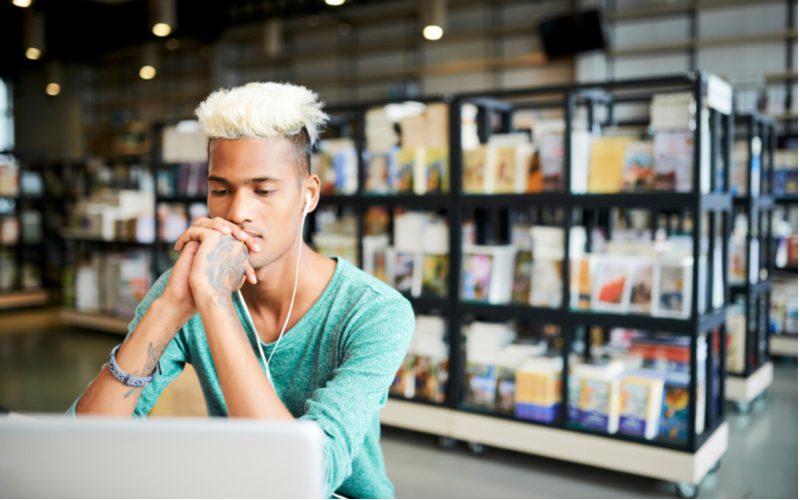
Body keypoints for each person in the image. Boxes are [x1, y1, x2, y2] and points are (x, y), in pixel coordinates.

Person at [68, 82, 416, 499]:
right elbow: (80, 444)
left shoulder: (375, 312)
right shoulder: (186, 287)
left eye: (264, 190)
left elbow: (301, 477)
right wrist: (169, 309)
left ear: (308, 195)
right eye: (220, 190)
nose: (237, 213)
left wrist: (215, 302)